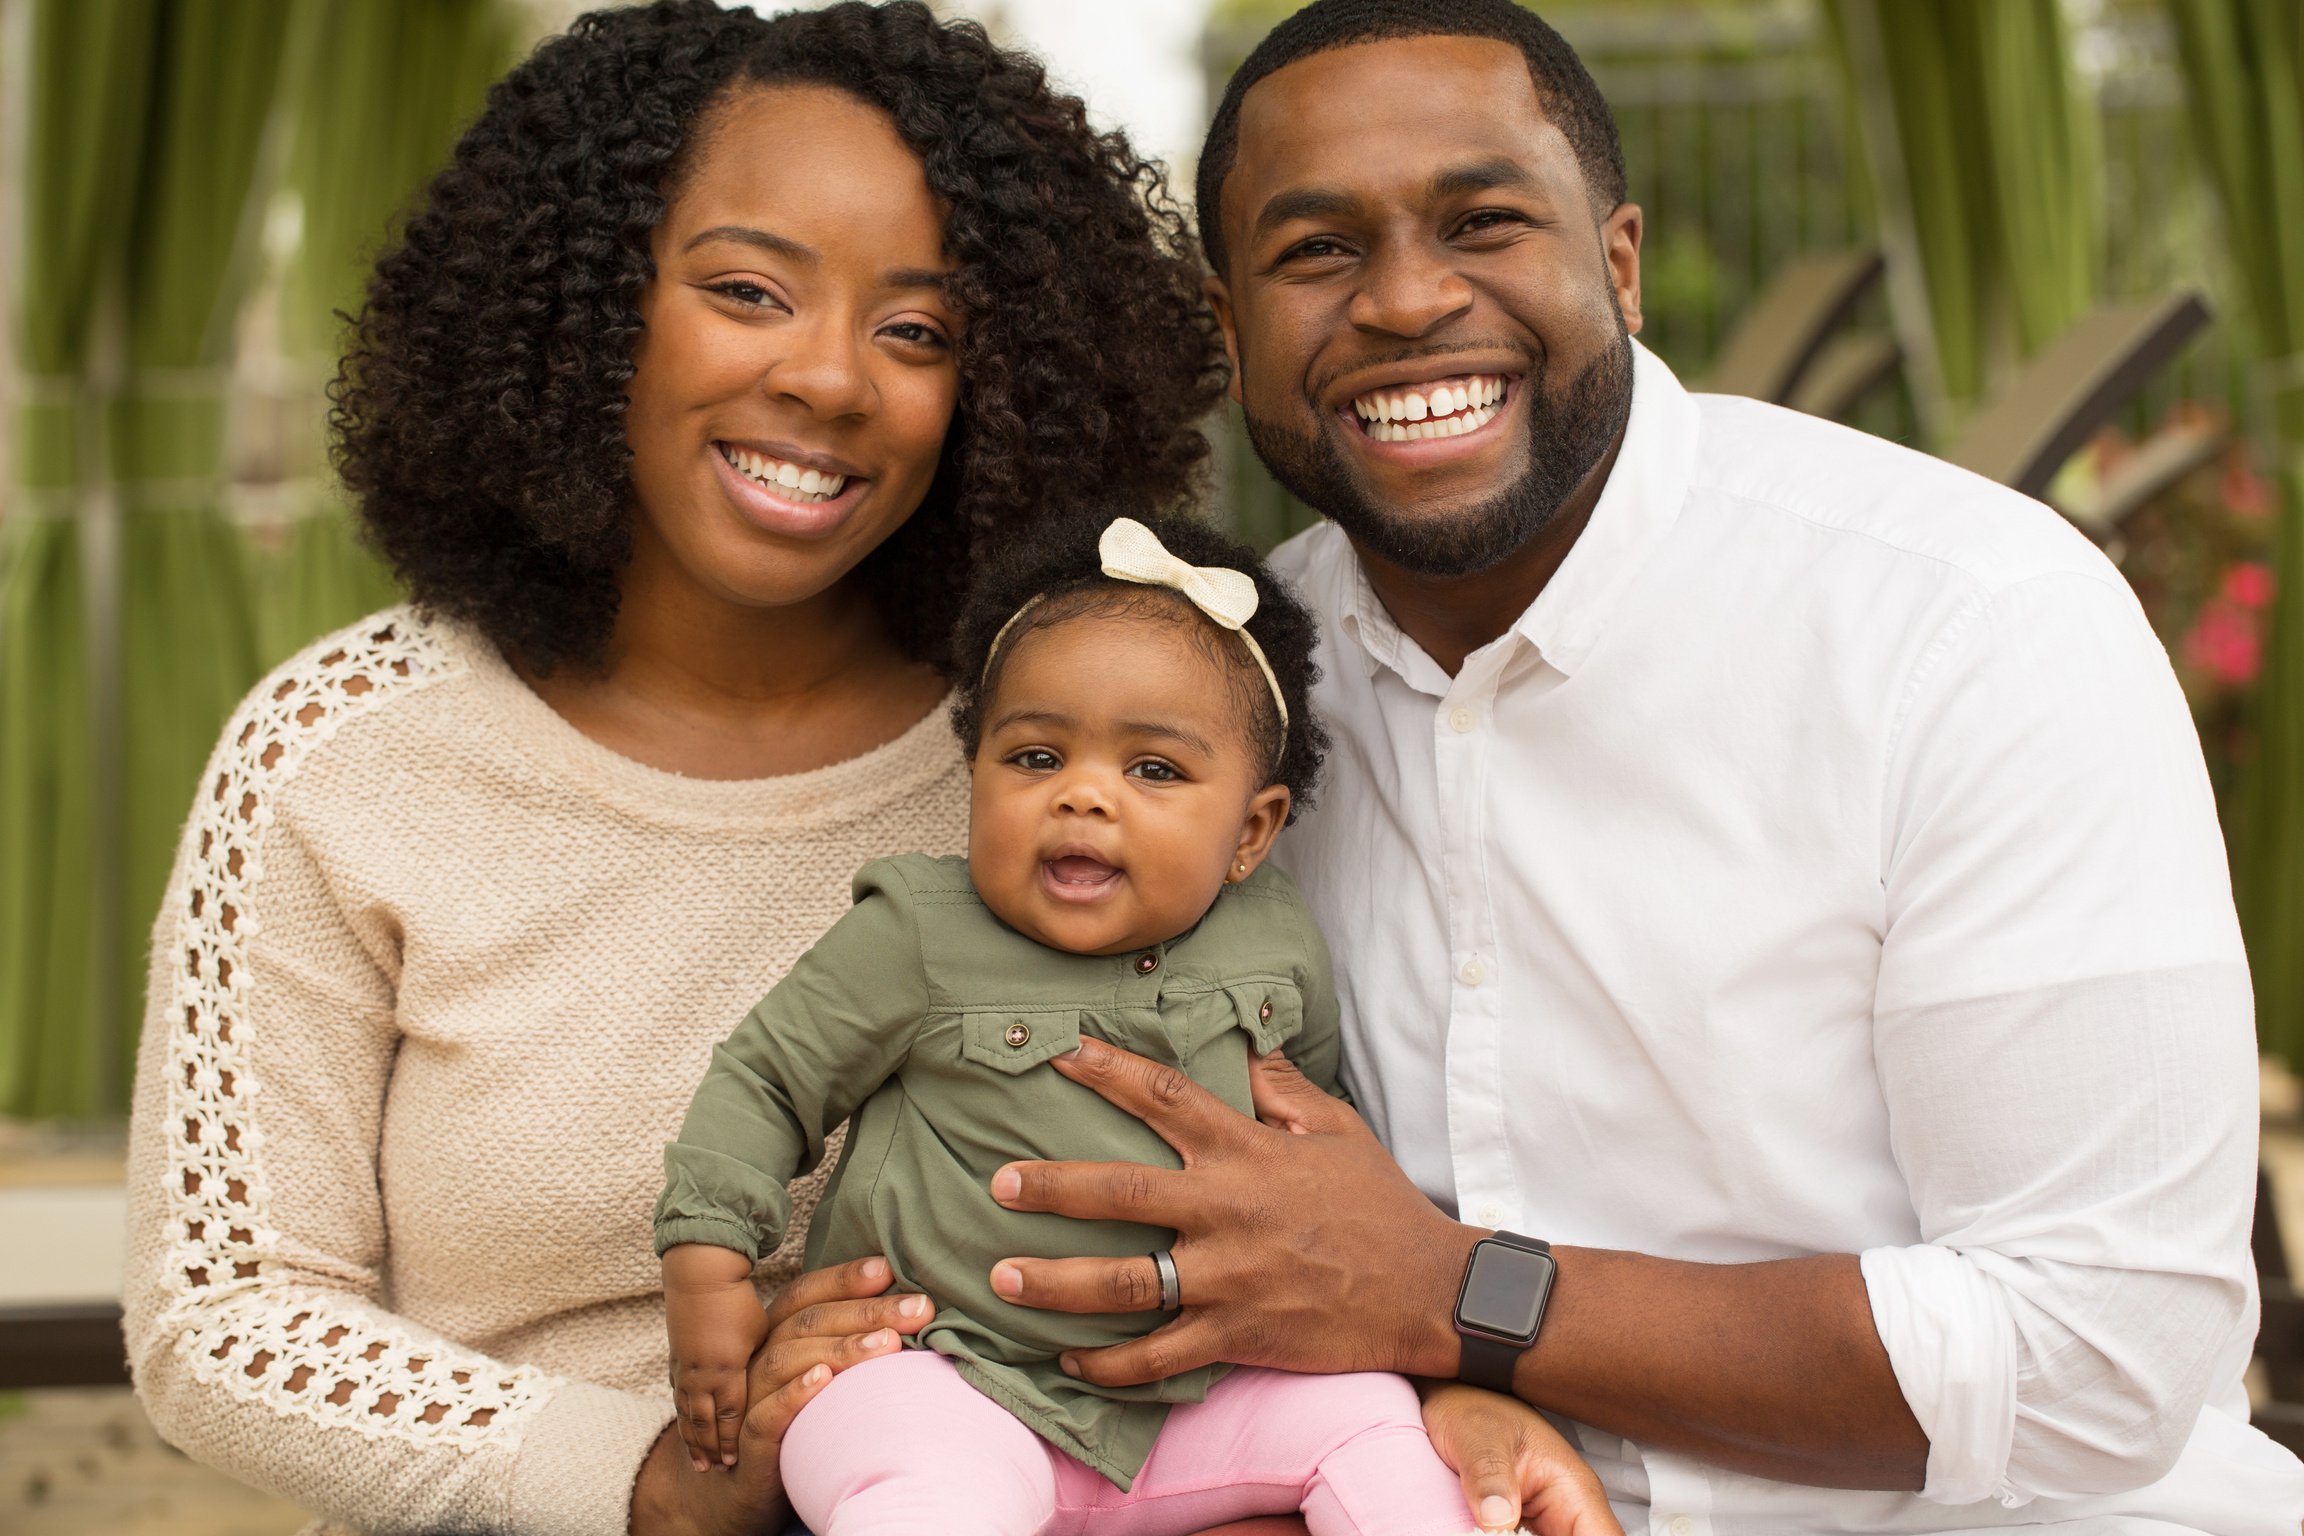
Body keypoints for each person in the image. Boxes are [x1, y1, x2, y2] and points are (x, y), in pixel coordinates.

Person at [973, 2, 2304, 1533]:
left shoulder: (1967, 622)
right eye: (1317, 250)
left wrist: (1458, 1300)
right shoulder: (1228, 707)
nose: (1406, 299)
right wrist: (1441, 1387)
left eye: (1482, 220)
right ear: (1230, 325)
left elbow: (2101, 1359)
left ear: (1618, 261)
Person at [117, 5, 1234, 1535]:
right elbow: (227, 1318)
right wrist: (657, 1476)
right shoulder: (341, 757)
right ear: (585, 311)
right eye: (748, 292)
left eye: (917, 331)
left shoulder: (1073, 767)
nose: (832, 380)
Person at [652, 510, 1613, 1536]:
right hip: (948, 1370)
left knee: (1377, 1429)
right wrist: (707, 1270)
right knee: (918, 1486)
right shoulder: (917, 933)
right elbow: (764, 1084)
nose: (1084, 797)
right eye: (1034, 758)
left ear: (1252, 832)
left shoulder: (1276, 943)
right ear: (973, 773)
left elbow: (1317, 1139)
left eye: (1153, 770)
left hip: (1206, 1389)